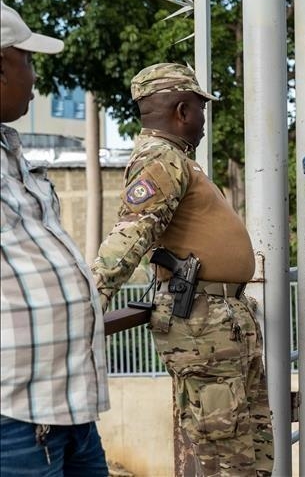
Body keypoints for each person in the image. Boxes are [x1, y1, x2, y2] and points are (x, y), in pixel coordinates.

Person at [90, 63, 273, 476]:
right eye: (200, 109)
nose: (204, 120)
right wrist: (88, 303)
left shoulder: (177, 160)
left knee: (249, 447)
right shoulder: (160, 160)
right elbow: (129, 238)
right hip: (202, 324)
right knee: (226, 453)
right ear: (182, 110)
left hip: (221, 319)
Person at [1, 1, 110, 475]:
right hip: (14, 415)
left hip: (65, 405)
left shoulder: (12, 154)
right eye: (28, 60)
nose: (34, 76)